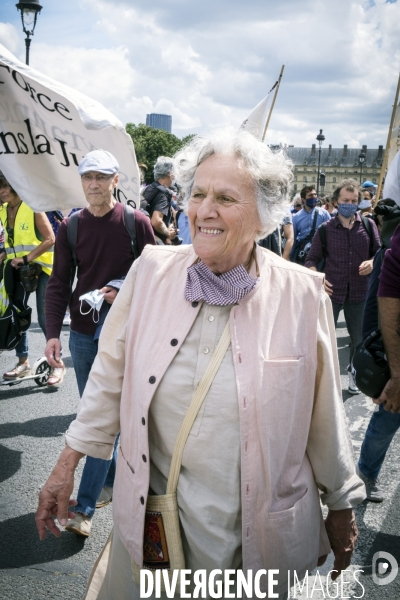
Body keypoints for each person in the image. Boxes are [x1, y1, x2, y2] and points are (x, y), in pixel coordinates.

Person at [36, 130, 365, 600]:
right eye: (197, 194)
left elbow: (324, 416)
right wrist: (65, 465)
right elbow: (108, 381)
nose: (204, 210)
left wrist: (341, 504)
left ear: (263, 216)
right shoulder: (150, 270)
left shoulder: (302, 294)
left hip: (252, 537)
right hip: (158, 524)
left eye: (226, 198)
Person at [44, 149, 155, 537]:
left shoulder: (135, 222)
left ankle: (85, 506)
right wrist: (53, 333)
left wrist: (121, 290)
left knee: (100, 415)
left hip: (124, 332)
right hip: (84, 333)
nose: (94, 184)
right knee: (96, 411)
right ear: (81, 181)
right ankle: (107, 478)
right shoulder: (70, 227)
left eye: (101, 177)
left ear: (115, 181)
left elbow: (155, 276)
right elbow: (58, 283)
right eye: (87, 177)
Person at [305, 179, 380, 394]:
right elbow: (311, 259)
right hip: (331, 292)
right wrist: (317, 277)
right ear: (336, 202)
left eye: (354, 200)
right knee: (323, 338)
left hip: (359, 292)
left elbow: (380, 251)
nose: (350, 203)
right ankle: (324, 379)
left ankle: (353, 373)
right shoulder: (325, 229)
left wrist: (373, 262)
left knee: (359, 339)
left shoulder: (368, 225)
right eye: (345, 200)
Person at [0, 171, 55, 381]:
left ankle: (56, 361)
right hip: (18, 269)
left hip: (43, 269)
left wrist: (26, 258)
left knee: (43, 317)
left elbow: (50, 239)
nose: (2, 191)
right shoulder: (3, 210)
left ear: (15, 186)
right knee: (17, 313)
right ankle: (23, 363)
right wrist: (5, 255)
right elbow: (12, 243)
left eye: (6, 186)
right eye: (0, 187)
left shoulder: (32, 207)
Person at [290, 185, 330, 264]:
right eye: (310, 195)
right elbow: (293, 238)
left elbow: (330, 233)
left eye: (315, 194)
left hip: (320, 251)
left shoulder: (324, 213)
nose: (314, 197)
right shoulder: (296, 217)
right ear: (303, 200)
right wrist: (291, 256)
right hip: (303, 253)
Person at [143, 156, 178, 244]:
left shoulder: (149, 188)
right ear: (169, 173)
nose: (174, 177)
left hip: (144, 238)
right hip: (156, 240)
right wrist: (168, 233)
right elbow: (156, 221)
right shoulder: (163, 194)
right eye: (174, 173)